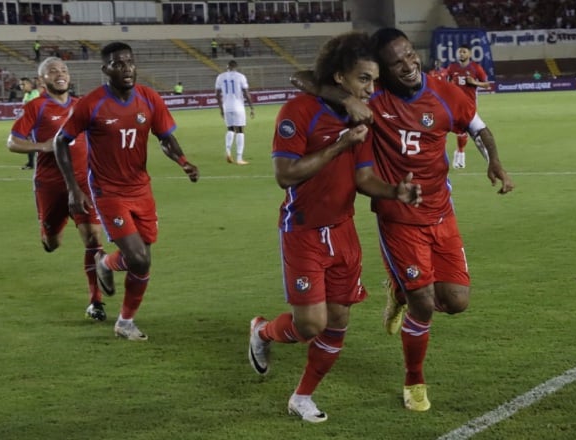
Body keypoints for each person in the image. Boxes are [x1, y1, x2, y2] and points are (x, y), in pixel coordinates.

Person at [291, 27, 514, 412]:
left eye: (410, 55)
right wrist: (344, 96)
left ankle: (397, 291)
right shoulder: (372, 96)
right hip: (397, 215)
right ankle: (414, 380)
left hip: (441, 211)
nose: (408, 65)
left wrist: (493, 160)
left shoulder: (445, 94)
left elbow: (478, 127)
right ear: (383, 70)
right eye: (396, 63)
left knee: (457, 302)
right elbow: (302, 78)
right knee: (424, 303)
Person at [248, 31, 421, 423]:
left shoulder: (359, 113)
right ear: (339, 77)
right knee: (310, 325)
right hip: (304, 231)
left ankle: (302, 397)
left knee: (338, 322)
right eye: (364, 79)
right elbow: (285, 174)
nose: (371, 89)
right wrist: (340, 144)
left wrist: (396, 191)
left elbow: (363, 178)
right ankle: (262, 332)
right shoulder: (298, 112)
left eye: (375, 80)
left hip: (343, 231)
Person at [53, 42, 200, 341]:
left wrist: (183, 161)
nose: (127, 68)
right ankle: (125, 323)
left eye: (130, 62)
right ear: (105, 69)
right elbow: (60, 142)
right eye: (118, 64)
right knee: (140, 260)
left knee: (143, 257)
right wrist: (72, 188)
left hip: (141, 189)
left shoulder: (149, 98)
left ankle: (105, 263)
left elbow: (165, 137)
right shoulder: (92, 103)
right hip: (108, 191)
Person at [7, 57, 107, 321]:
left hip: (83, 183)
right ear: (42, 80)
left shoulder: (81, 106)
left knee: (94, 240)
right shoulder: (36, 107)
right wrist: (42, 146)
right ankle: (48, 231)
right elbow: (13, 142)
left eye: (63, 70)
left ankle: (96, 303)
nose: (60, 75)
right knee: (52, 244)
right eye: (52, 72)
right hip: (51, 185)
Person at [445, 43, 491, 169]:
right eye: (460, 52)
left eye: (464, 52)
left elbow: (487, 85)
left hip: (469, 107)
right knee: (460, 131)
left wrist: (474, 82)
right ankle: (460, 154)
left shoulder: (476, 68)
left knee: (473, 134)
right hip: (454, 105)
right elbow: (446, 83)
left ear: (470, 54)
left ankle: (462, 154)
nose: (461, 54)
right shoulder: (452, 68)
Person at [215, 60, 255, 165]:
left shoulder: (220, 77)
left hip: (226, 106)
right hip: (238, 106)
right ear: (236, 67)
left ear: (227, 67)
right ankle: (239, 158)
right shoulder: (240, 77)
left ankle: (228, 151)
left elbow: (217, 94)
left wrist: (221, 109)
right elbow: (246, 93)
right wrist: (251, 108)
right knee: (240, 130)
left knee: (230, 129)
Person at [18, 77, 41, 170]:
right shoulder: (27, 95)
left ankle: (33, 163)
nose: (21, 87)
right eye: (20, 85)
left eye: (23, 84)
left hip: (37, 122)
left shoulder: (35, 94)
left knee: (33, 142)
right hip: (30, 122)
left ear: (29, 84)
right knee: (29, 142)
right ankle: (31, 163)